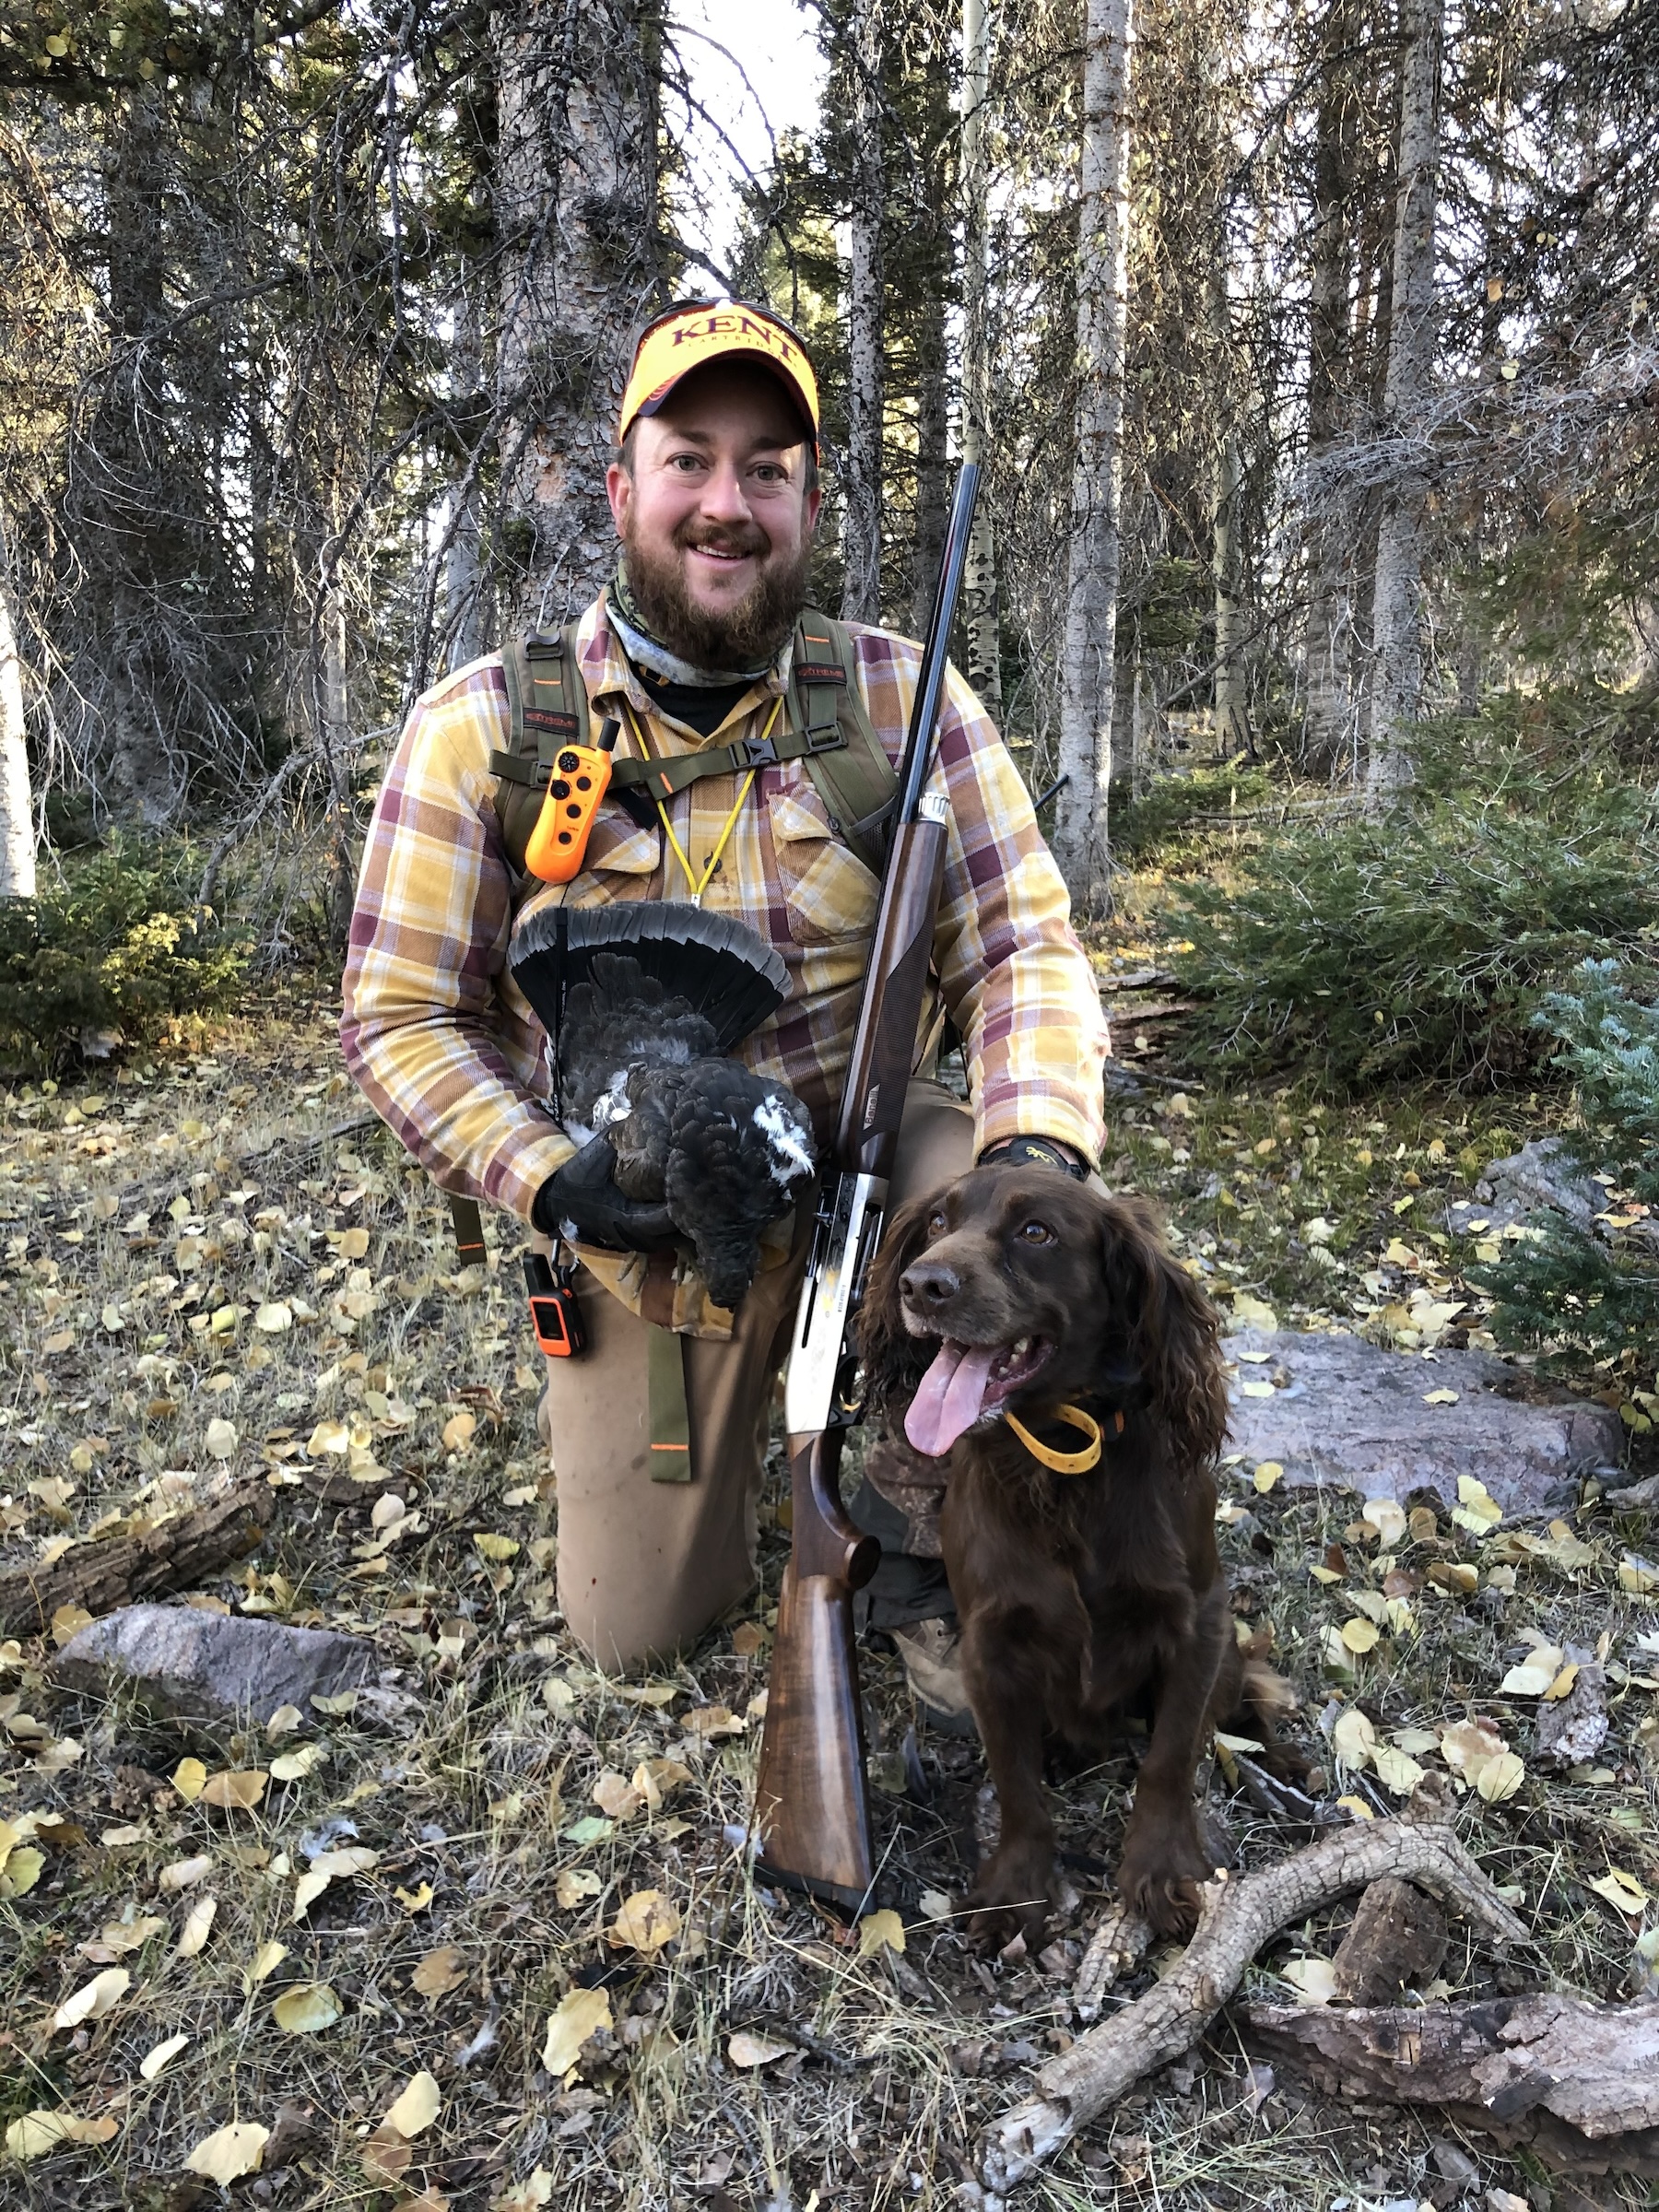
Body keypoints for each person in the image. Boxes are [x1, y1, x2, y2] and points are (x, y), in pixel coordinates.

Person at [341, 297, 1108, 1700]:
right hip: (650, 1231)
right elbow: (398, 1017)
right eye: (689, 458)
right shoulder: (486, 728)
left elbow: (1024, 956)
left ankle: (940, 1540)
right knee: (633, 1635)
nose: (726, 503)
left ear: (808, 503)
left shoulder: (909, 703)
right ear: (621, 486)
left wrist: (1035, 1149)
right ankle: (763, 1484)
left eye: (768, 468)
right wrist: (554, 1185)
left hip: (874, 1183)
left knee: (1014, 1222)